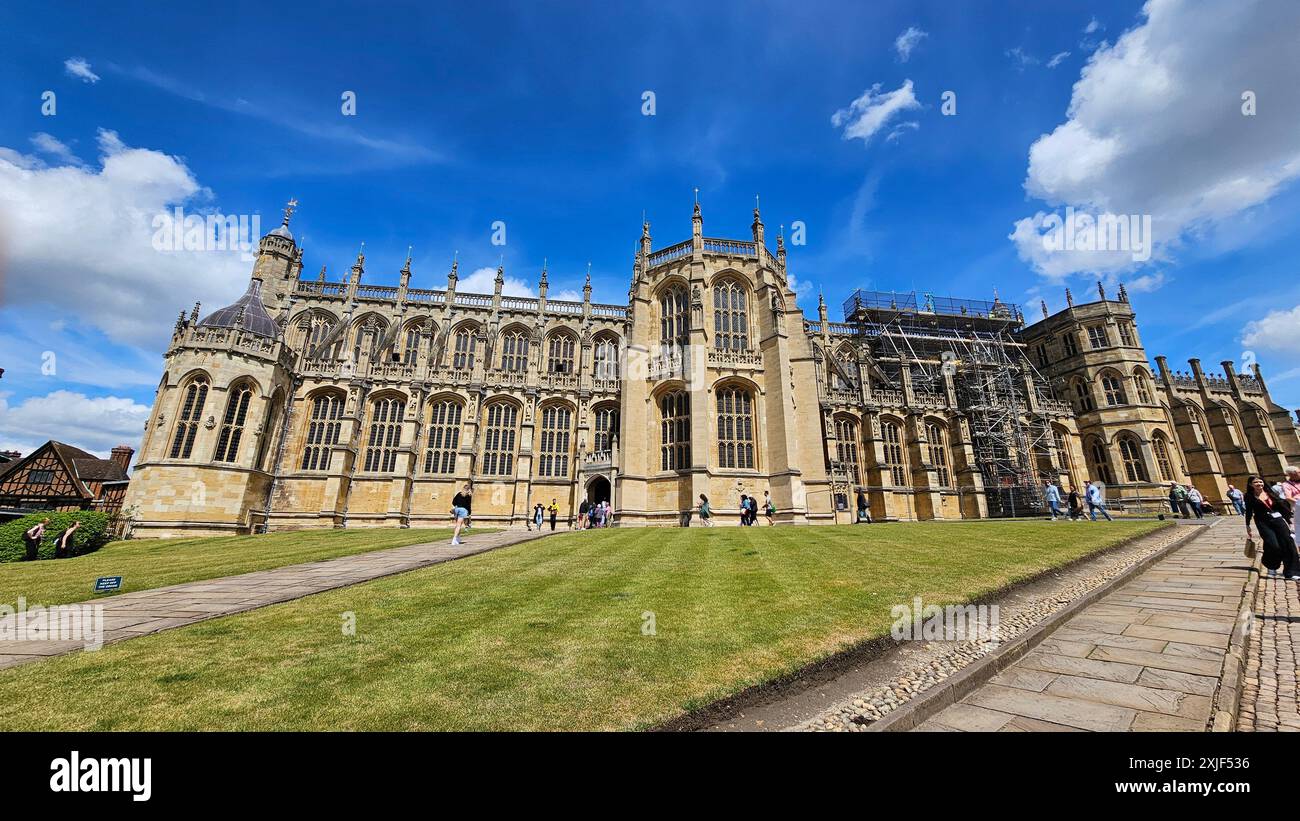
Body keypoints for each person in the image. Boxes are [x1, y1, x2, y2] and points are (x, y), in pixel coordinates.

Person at [1243, 474, 1300, 579]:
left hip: (1278, 520)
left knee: (1288, 543)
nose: (1259, 484)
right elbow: (1249, 511)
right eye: (1256, 482)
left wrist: (1289, 520)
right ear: (1251, 484)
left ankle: (1292, 572)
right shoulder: (1249, 496)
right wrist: (1247, 525)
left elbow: (1281, 506)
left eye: (1260, 481)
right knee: (1273, 544)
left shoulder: (1270, 493)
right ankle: (1270, 563)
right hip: (1262, 522)